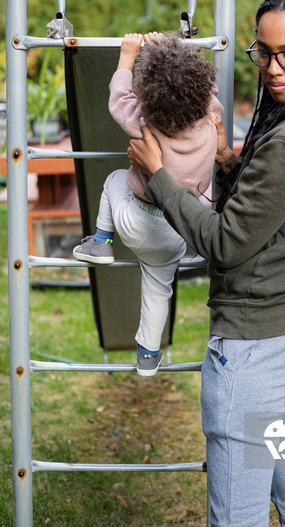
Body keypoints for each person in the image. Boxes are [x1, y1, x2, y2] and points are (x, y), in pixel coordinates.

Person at [127, 0, 285, 525]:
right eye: (262, 52)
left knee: (236, 512)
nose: (273, 68)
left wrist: (160, 178)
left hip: (260, 342)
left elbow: (224, 244)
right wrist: (227, 164)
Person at [73, 32, 224, 376]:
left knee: (114, 179)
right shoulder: (210, 117)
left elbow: (118, 98)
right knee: (158, 290)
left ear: (150, 96)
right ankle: (147, 355)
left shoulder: (144, 120)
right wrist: (187, 50)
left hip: (136, 220)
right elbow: (211, 94)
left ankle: (101, 242)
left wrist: (128, 57)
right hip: (181, 227)